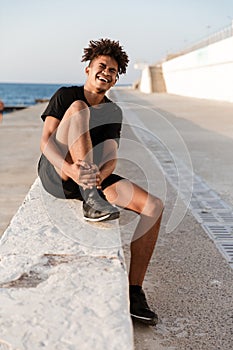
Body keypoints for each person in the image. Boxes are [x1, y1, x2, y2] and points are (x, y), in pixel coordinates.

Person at [38, 38, 164, 325]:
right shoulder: (66, 94)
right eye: (102, 66)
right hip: (57, 171)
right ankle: (91, 198)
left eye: (114, 70)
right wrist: (71, 169)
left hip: (91, 179)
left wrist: (97, 176)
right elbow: (46, 141)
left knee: (154, 206)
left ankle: (134, 292)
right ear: (88, 68)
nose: (107, 72)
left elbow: (110, 157)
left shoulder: (113, 111)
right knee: (79, 109)